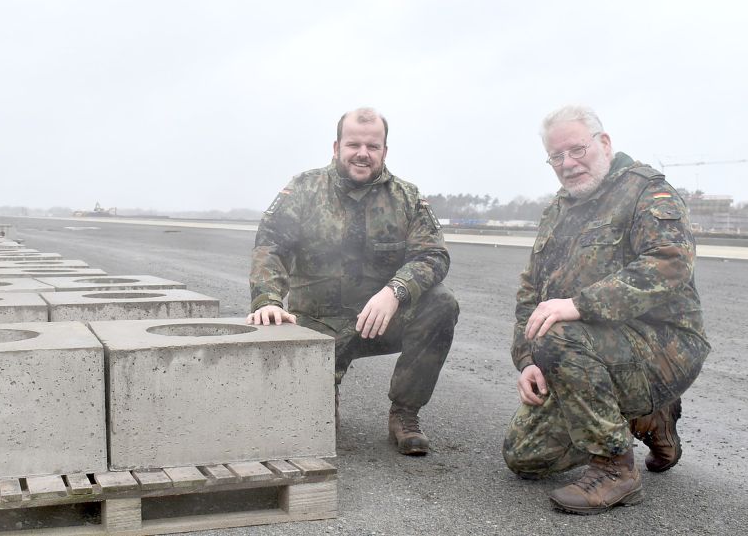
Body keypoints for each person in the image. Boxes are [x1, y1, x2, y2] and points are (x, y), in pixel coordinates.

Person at [503, 105, 711, 514]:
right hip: (591, 353)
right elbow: (531, 292)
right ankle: (648, 418)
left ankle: (615, 468)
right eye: (556, 157)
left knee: (558, 331)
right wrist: (528, 360)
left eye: (577, 150)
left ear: (604, 143)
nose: (568, 163)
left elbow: (669, 264)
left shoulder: (647, 191)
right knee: (524, 457)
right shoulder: (556, 212)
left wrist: (579, 306)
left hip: (664, 346)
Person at [247, 107, 459, 456]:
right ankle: (321, 397)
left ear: (384, 152)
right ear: (337, 147)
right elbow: (270, 247)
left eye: (373, 146)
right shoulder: (304, 189)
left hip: (380, 320)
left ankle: (404, 414)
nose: (363, 153)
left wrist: (396, 291)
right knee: (314, 437)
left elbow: (433, 255)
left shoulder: (406, 198)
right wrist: (268, 300)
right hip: (316, 323)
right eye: (354, 144)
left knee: (441, 304)